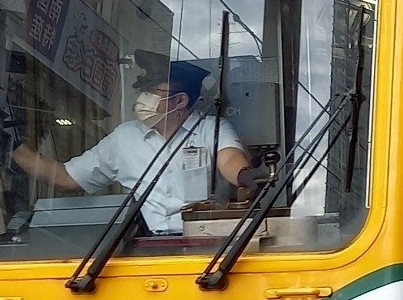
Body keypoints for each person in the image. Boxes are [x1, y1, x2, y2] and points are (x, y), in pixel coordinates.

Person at [13, 61, 255, 235]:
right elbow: (67, 178)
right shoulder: (124, 137)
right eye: (143, 91)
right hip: (146, 247)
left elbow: (229, 158)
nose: (142, 99)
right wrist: (14, 148)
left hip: (207, 244)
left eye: (152, 93)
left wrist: (245, 175)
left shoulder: (210, 128)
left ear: (180, 101)